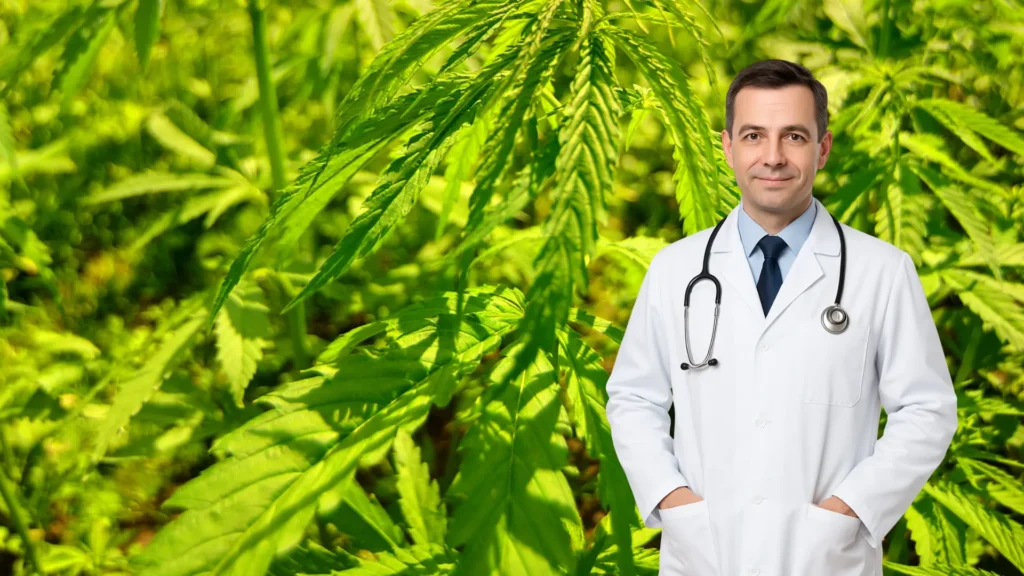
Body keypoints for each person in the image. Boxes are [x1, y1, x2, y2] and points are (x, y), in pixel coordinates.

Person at [603, 59, 959, 576]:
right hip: (705, 553)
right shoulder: (675, 270)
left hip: (827, 557)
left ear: (823, 148)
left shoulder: (882, 271)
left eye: (793, 136)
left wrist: (853, 509)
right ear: (727, 147)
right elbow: (634, 398)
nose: (773, 157)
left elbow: (927, 410)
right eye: (753, 135)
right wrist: (673, 500)